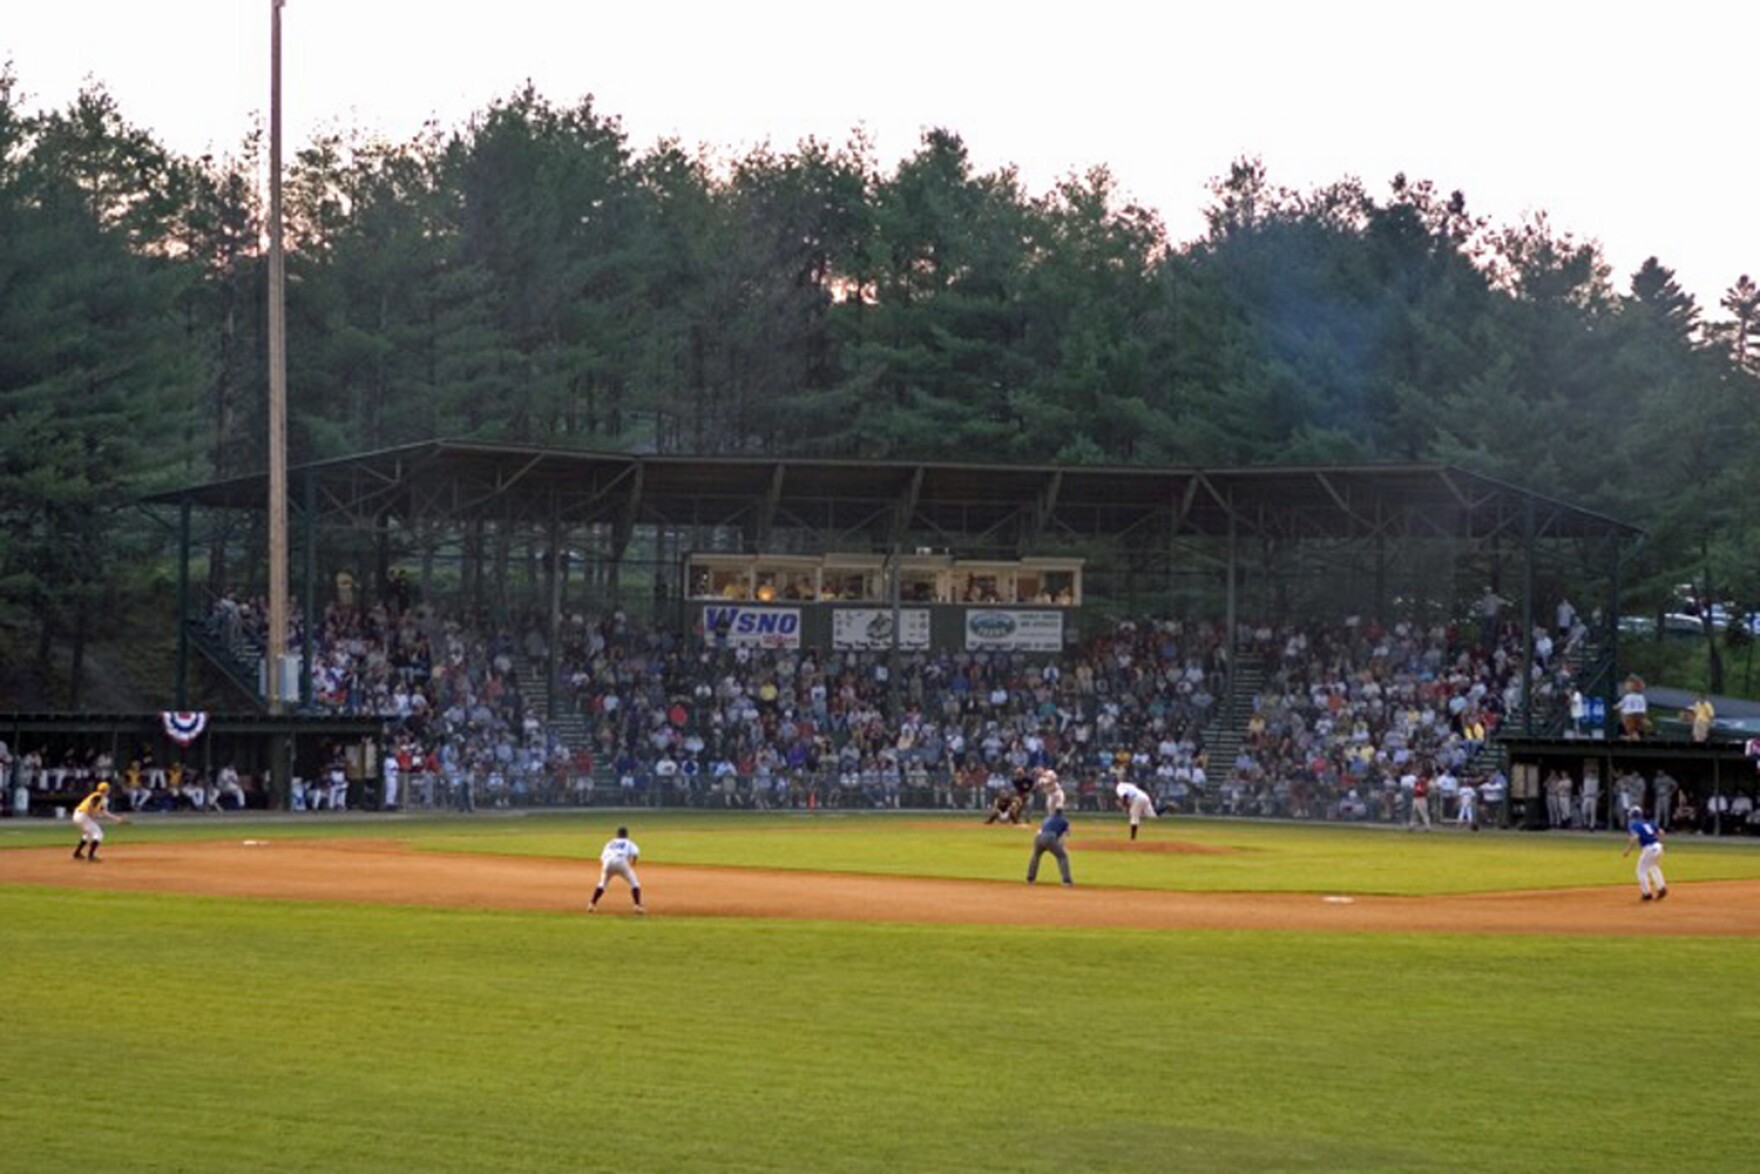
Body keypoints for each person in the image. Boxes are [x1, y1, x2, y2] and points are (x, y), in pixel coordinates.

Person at [589, 825, 645, 914]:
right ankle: (637, 906)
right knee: (634, 883)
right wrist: (633, 863)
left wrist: (606, 868)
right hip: (621, 861)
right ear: (626, 835)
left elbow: (602, 858)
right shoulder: (629, 842)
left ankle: (592, 904)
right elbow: (635, 853)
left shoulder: (610, 843)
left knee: (602, 883)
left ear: (617, 835)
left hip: (607, 862)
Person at [1622, 805, 1667, 901]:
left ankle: (1647, 893)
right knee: (1654, 867)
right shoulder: (1648, 823)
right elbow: (1662, 832)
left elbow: (1635, 838)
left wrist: (1628, 850)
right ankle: (1662, 888)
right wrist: (1660, 842)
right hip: (1658, 846)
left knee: (1641, 870)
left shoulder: (1634, 825)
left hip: (1649, 848)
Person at [72, 781, 124, 862]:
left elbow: (103, 812)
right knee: (98, 833)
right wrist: (92, 815)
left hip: (77, 815)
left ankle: (77, 853)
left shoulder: (98, 796)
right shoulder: (98, 796)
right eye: (108, 789)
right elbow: (91, 805)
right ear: (106, 790)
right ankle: (90, 856)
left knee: (88, 835)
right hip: (83, 815)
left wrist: (116, 818)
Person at [1026, 808, 1074, 886]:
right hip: (1050, 838)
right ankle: (1066, 881)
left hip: (1038, 838)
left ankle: (1030, 879)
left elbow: (1040, 830)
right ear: (1061, 813)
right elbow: (1067, 834)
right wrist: (1060, 844)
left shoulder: (1046, 819)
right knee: (1062, 856)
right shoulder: (1064, 821)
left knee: (1035, 857)